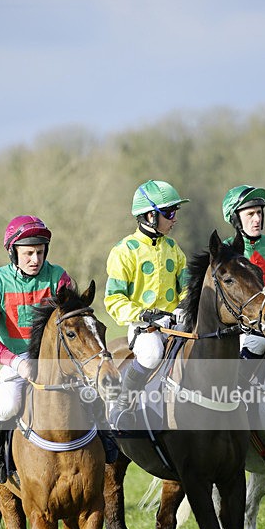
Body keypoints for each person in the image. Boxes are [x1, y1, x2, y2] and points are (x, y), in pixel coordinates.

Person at [0, 215, 73, 483]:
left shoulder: (59, 278)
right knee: (7, 405)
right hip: (16, 360)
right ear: (13, 252)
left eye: (40, 252)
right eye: (28, 253)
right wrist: (17, 363)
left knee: (91, 392)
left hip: (55, 358)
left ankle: (106, 440)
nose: (35, 259)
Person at [104, 179, 189, 429]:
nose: (174, 219)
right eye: (169, 213)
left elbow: (187, 288)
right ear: (151, 215)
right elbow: (114, 299)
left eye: (175, 213)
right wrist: (144, 315)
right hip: (145, 329)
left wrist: (183, 307)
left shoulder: (174, 248)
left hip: (176, 324)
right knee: (152, 354)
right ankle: (122, 405)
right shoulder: (124, 251)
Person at [222, 184, 265, 360]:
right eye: (250, 214)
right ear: (236, 219)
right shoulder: (225, 251)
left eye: (259, 213)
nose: (257, 219)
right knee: (258, 342)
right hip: (245, 323)